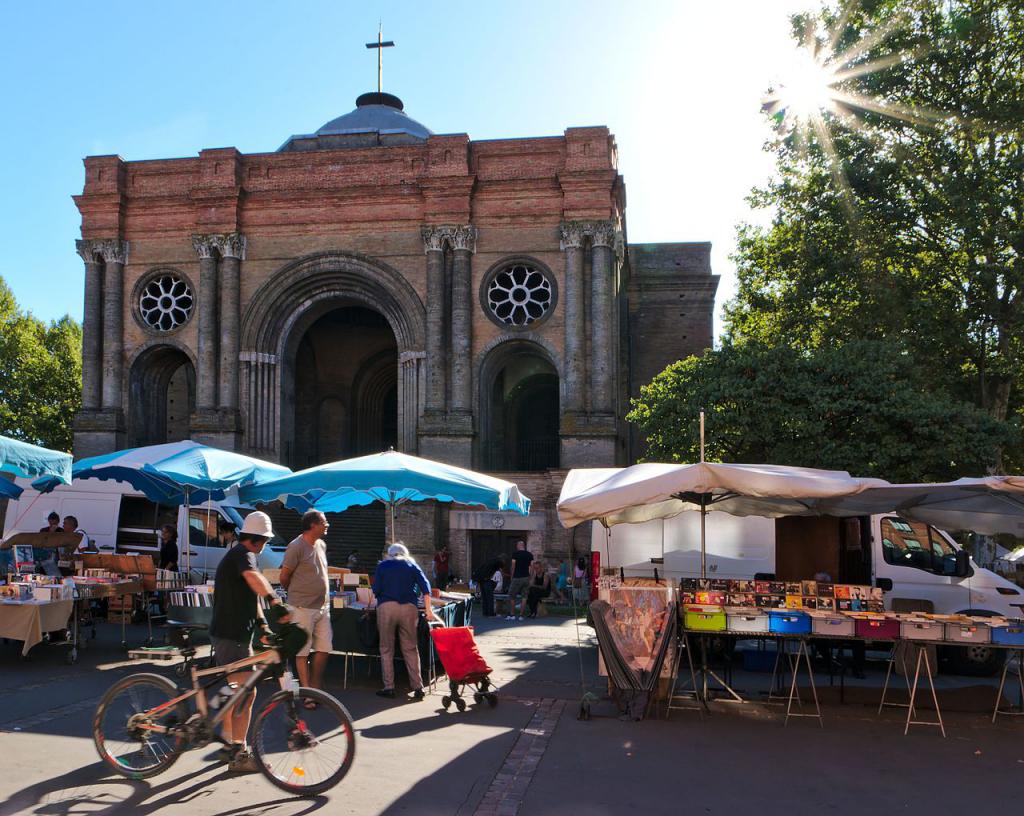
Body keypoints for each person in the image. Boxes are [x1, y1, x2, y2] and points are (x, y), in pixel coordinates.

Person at [209, 510, 289, 772]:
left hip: (234, 633)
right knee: (246, 691)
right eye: (265, 541)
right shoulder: (243, 555)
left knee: (237, 690)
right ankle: (239, 753)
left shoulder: (240, 556)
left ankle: (226, 740)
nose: (265, 545)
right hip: (231, 635)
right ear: (258, 540)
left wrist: (263, 626)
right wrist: (275, 601)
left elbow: (250, 596)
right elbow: (255, 581)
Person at [371, 542, 435, 701]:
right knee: (411, 647)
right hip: (409, 608)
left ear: (390, 553)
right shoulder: (411, 565)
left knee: (386, 648)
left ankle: (389, 687)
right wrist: (428, 610)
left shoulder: (383, 566)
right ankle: (418, 687)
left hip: (387, 607)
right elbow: (426, 588)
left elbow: (376, 590)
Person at [280, 510, 332, 702]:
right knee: (302, 650)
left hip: (322, 606)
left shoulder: (321, 545)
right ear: (313, 525)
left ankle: (314, 686)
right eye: (324, 522)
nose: (327, 525)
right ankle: (307, 691)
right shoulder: (296, 546)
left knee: (324, 647)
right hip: (302, 607)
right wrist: (297, 593)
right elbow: (284, 577)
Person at [505, 540, 534, 622]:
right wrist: (530, 577)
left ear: (518, 545)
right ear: (524, 546)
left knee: (511, 595)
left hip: (517, 577)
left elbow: (513, 566)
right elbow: (532, 567)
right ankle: (521, 615)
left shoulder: (515, 554)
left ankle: (512, 614)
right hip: (526, 578)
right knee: (524, 597)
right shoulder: (529, 555)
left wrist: (511, 576)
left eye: (517, 545)